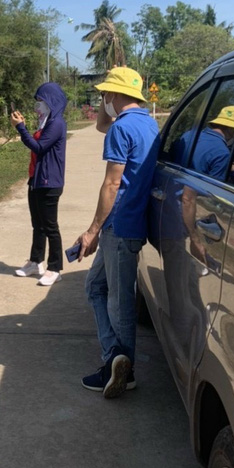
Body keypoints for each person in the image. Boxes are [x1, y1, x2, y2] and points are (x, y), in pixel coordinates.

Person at [75, 67, 160, 398]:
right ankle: (115, 357)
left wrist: (92, 230)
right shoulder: (147, 123)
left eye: (104, 95)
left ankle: (125, 370)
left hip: (119, 226)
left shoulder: (121, 129)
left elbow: (112, 183)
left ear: (112, 94)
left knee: (119, 300)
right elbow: (101, 124)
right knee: (95, 287)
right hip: (127, 224)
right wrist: (105, 103)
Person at [10, 82, 68, 286]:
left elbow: (39, 147)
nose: (37, 107)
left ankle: (55, 268)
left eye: (40, 102)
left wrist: (20, 128)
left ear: (51, 102)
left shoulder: (56, 123)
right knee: (38, 225)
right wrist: (24, 127)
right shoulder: (45, 122)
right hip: (36, 180)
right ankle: (36, 261)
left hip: (49, 182)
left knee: (50, 227)